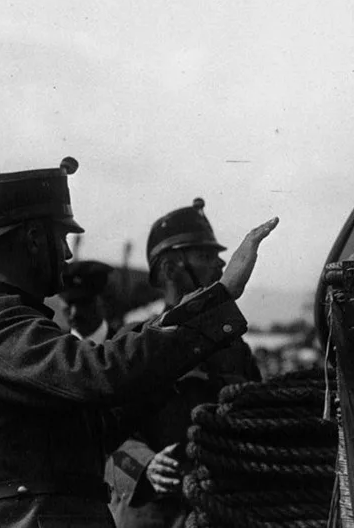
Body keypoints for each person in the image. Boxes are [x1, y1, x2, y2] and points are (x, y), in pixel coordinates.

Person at [0, 157, 278, 528]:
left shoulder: (14, 326)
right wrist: (221, 296)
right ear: (34, 239)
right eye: (61, 239)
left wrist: (192, 321)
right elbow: (104, 373)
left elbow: (98, 426)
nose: (68, 254)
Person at [107, 198, 263, 528]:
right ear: (169, 268)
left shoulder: (235, 349)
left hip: (221, 514)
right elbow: (101, 434)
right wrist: (143, 465)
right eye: (205, 256)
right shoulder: (130, 345)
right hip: (154, 515)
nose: (220, 265)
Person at [60, 259, 114, 344]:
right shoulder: (55, 347)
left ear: (103, 303)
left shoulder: (122, 347)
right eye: (69, 304)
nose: (75, 314)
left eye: (84, 303)